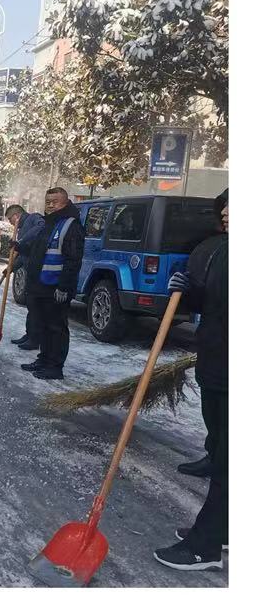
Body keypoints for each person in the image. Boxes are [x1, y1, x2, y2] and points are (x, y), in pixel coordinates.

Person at [154, 189, 227, 571]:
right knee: (221, 448)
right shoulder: (224, 249)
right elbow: (214, 305)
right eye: (225, 207)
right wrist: (189, 292)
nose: (228, 213)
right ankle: (227, 527)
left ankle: (208, 544)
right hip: (217, 364)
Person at [22, 186, 83, 380]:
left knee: (56, 328)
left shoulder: (70, 225)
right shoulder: (48, 223)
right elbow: (39, 251)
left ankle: (55, 367)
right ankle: (43, 359)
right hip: (41, 286)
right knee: (44, 326)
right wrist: (21, 248)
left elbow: (73, 259)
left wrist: (64, 286)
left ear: (65, 202)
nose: (50, 205)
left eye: (54, 201)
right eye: (47, 201)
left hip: (56, 288)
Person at [6, 203, 47, 351]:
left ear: (16, 216)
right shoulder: (22, 229)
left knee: (36, 307)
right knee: (31, 306)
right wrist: (11, 268)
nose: (10, 223)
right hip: (31, 271)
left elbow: (41, 227)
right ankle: (29, 335)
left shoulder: (34, 218)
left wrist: (20, 242)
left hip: (40, 271)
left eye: (10, 220)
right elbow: (23, 255)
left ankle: (35, 339)